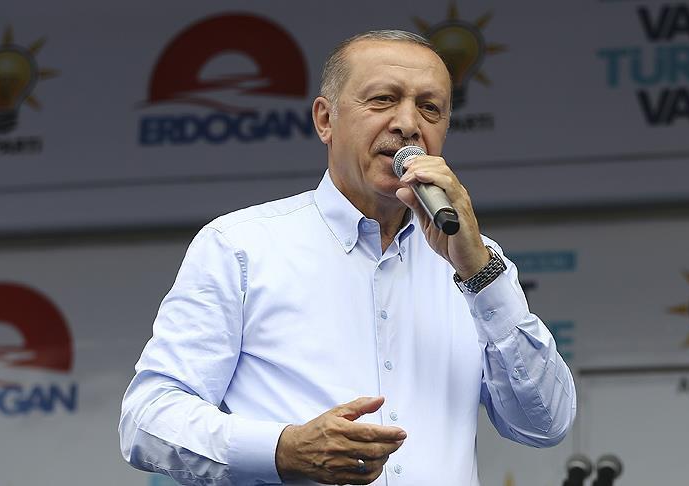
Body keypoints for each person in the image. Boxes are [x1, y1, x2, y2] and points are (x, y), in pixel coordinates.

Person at [119, 30, 576, 485]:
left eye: (430, 107)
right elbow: (147, 418)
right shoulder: (241, 246)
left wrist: (480, 274)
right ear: (325, 120)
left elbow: (545, 424)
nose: (407, 124)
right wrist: (283, 448)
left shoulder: (474, 262)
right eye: (382, 100)